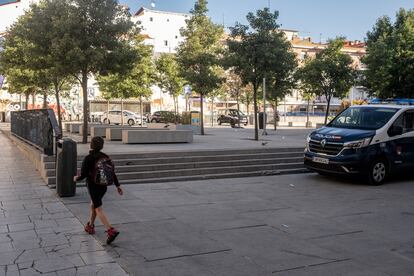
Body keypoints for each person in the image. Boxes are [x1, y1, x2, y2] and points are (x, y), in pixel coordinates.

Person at [73, 136, 123, 244]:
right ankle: (90, 226)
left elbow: (84, 174)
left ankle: (110, 230)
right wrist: (118, 186)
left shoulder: (89, 158)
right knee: (94, 205)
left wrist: (76, 178)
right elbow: (112, 173)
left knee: (98, 209)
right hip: (103, 186)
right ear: (102, 146)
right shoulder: (105, 157)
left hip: (93, 186)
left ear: (91, 145)